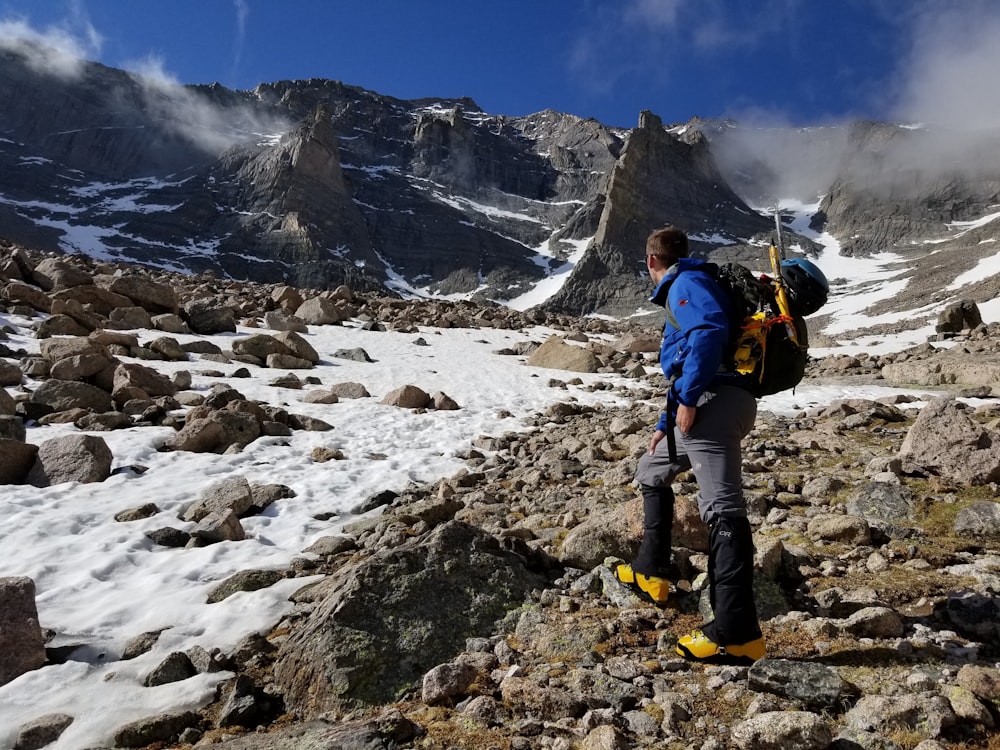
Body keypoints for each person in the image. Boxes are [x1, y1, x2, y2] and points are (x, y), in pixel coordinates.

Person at [614, 225, 765, 665]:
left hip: (713, 405)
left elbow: (708, 332)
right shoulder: (694, 282)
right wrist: (666, 421)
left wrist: (690, 396)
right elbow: (686, 358)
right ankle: (651, 571)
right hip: (711, 402)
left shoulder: (686, 283)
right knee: (652, 469)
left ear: (650, 262)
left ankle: (736, 634)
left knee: (723, 509)